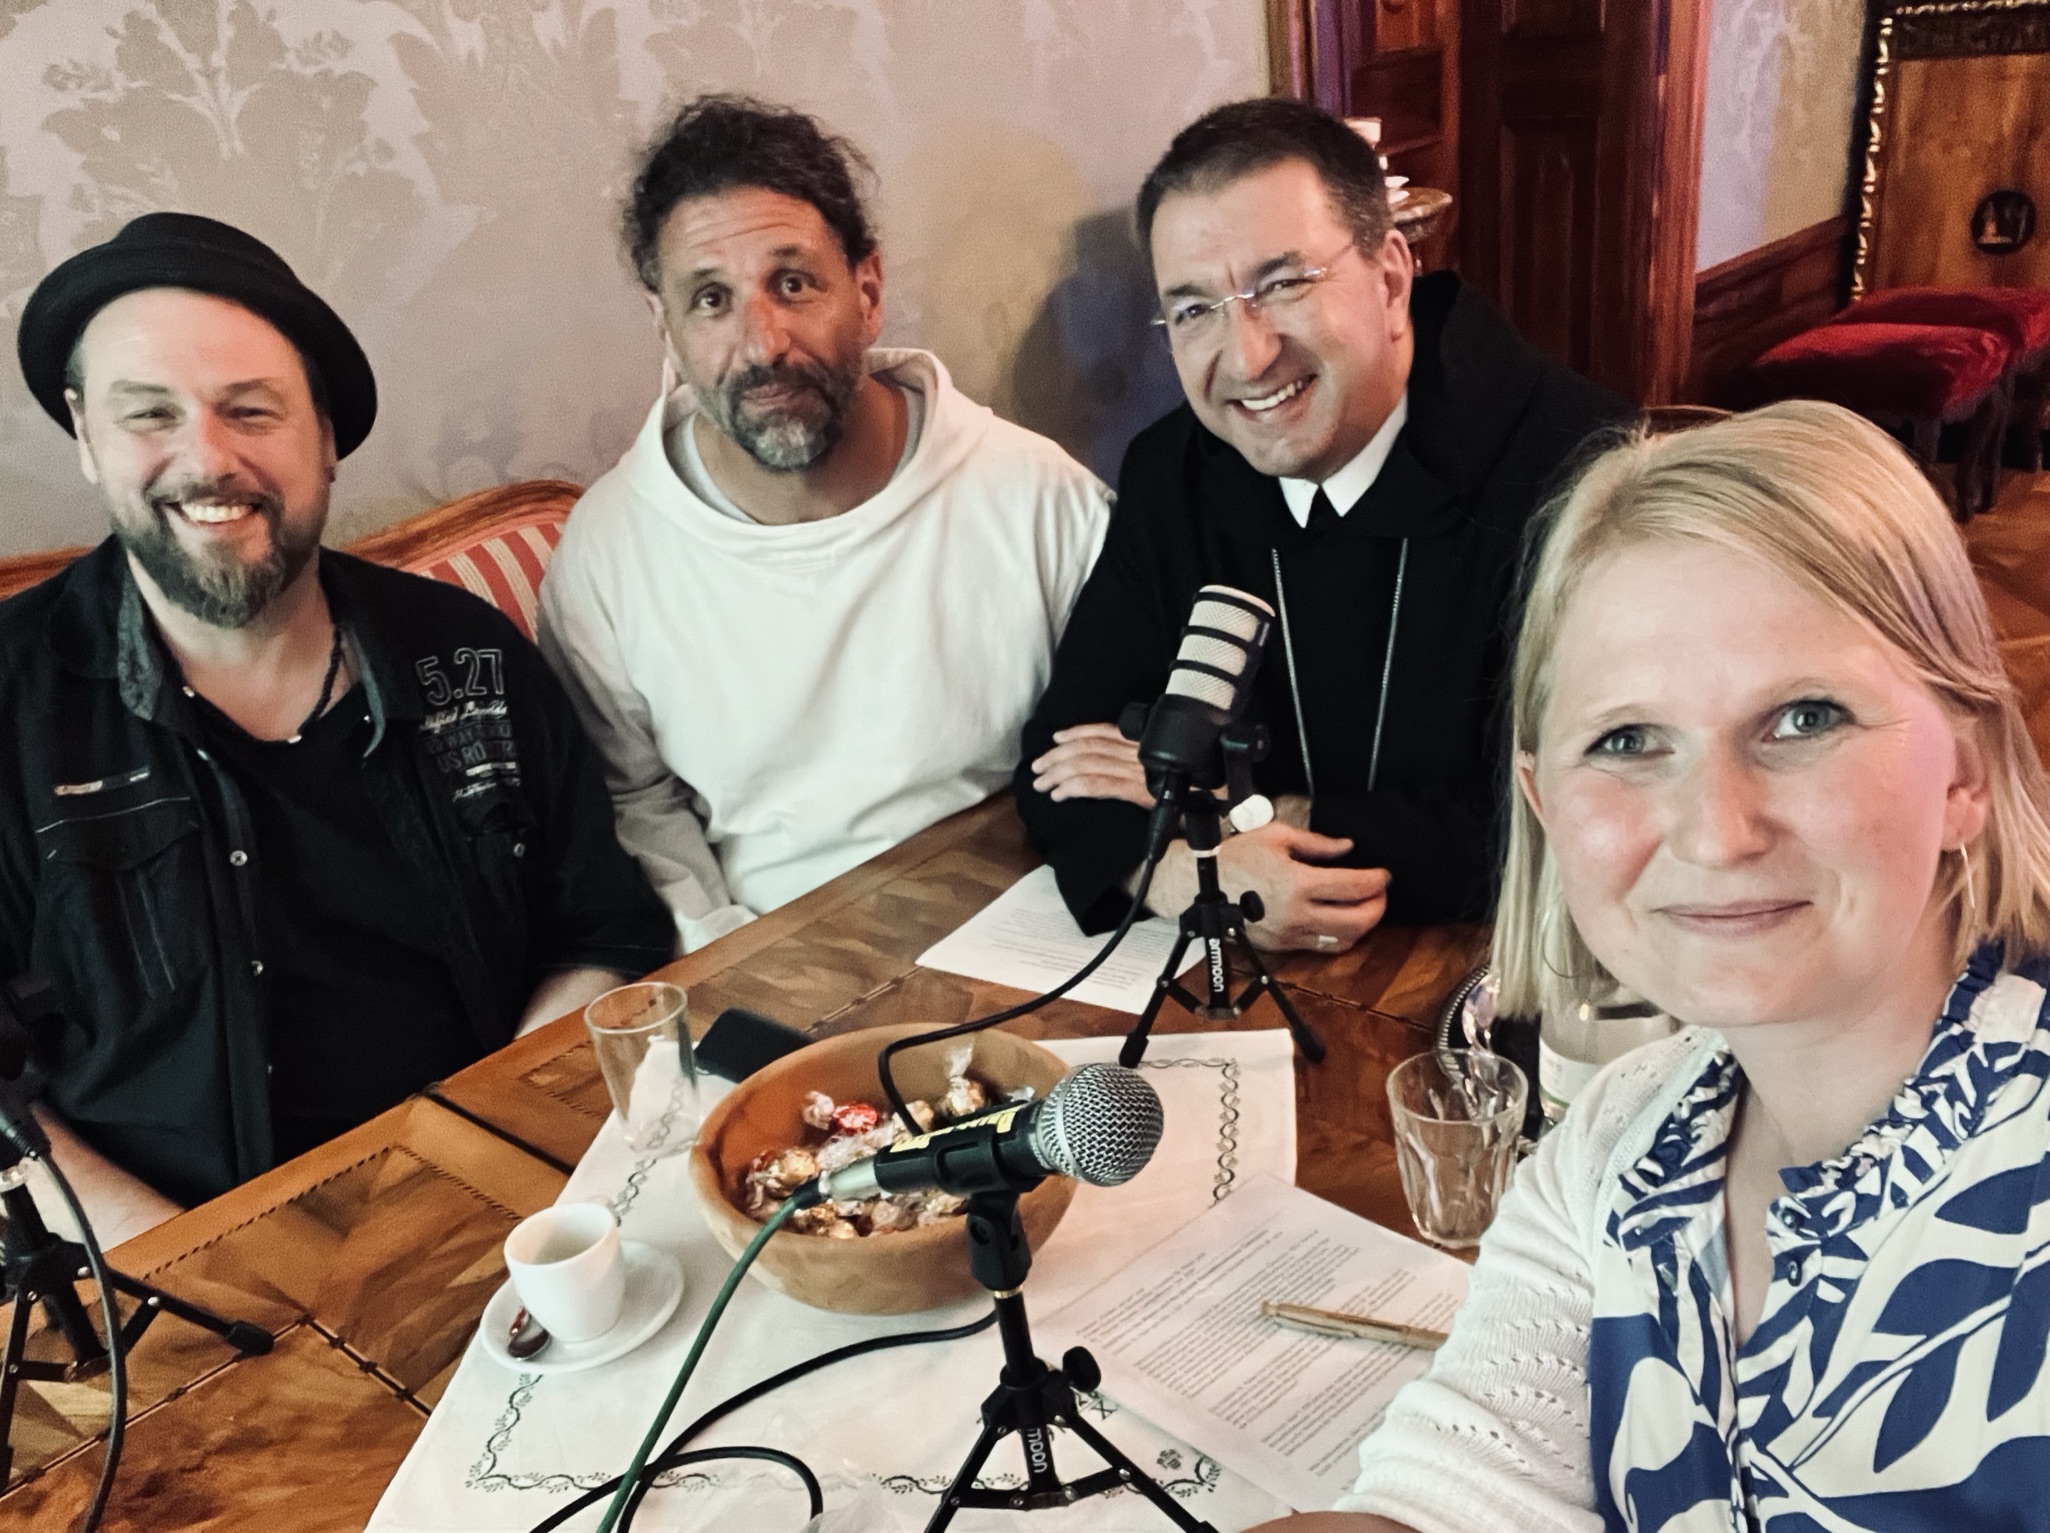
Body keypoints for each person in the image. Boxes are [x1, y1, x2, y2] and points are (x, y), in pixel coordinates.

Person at [1258, 402, 2050, 1533]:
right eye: (1627, 741)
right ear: (1542, 802)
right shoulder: (1616, 1143)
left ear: (1962, 771)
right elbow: (1455, 1492)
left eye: (1805, 717)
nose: (1716, 832)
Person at [0, 213, 673, 1241]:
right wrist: (187, 1268)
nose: (207, 458)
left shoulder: (467, 653)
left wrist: (510, 1158)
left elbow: (597, 928)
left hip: (502, 1196)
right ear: (87, 436)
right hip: (166, 1256)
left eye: (250, 410)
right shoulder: (13, 703)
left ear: (325, 438)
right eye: (150, 414)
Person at [1017, 97, 1624, 950]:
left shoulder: (1579, 470)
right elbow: (1061, 758)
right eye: (1194, 309)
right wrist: (1183, 873)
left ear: (1391, 280)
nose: (1249, 355)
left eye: (1283, 284)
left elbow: (1574, 809)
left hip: (1507, 967)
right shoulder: (1174, 472)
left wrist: (1236, 811)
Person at [538, 96, 1110, 951]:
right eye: (711, 299)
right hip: (768, 968)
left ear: (867, 291)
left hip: (1040, 941)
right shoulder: (608, 555)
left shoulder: (1037, 497)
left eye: (793, 284)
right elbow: (636, 802)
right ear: (666, 326)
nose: (762, 343)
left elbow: (1122, 746)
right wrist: (735, 968)